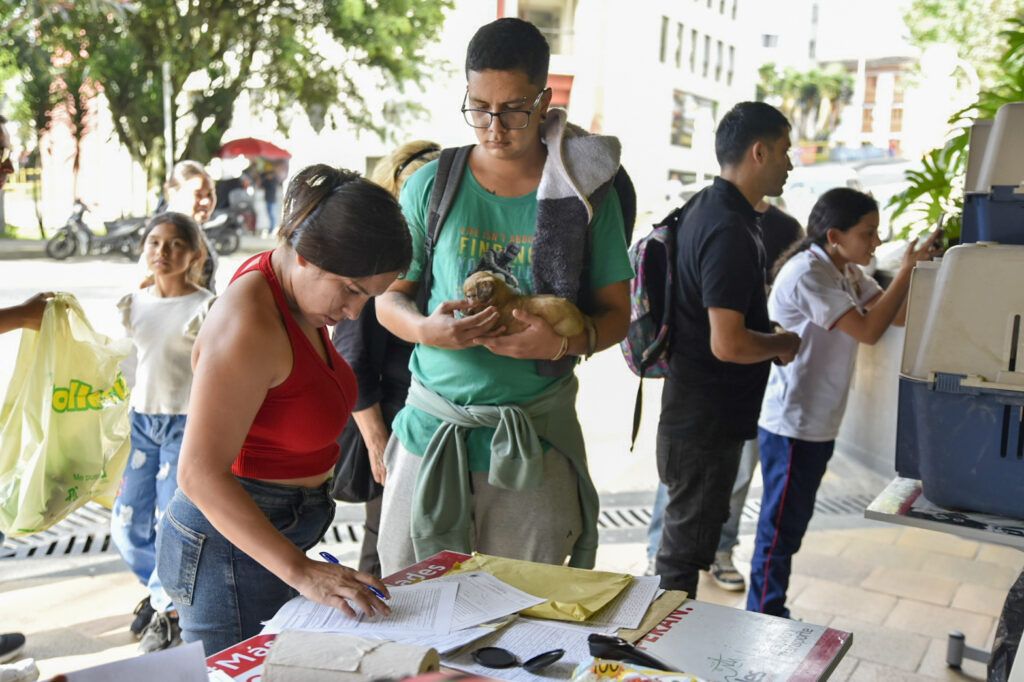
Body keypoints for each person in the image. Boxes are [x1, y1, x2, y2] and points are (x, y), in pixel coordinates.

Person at [374, 18, 633, 575]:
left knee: (522, 622)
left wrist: (564, 345)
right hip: (431, 431)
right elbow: (387, 299)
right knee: (412, 609)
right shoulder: (431, 186)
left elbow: (617, 316)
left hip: (533, 439)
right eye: (478, 107)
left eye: (513, 108)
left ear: (544, 99)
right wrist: (425, 330)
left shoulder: (585, 194)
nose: (494, 126)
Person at [157, 165, 408, 654]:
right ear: (306, 256)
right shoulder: (248, 322)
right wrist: (303, 573)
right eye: (352, 290)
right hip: (228, 549)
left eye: (369, 296)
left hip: (270, 536)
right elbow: (198, 474)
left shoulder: (290, 284)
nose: (355, 313)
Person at [747, 188, 939, 617]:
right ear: (834, 235)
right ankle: (763, 614)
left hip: (819, 419)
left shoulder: (845, 271)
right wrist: (906, 271)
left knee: (789, 526)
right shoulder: (807, 273)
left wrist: (924, 271)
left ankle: (769, 610)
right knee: (778, 531)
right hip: (792, 422)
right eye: (867, 233)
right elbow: (868, 331)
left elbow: (894, 316)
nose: (875, 242)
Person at [653, 101, 801, 598]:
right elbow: (729, 342)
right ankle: (658, 667)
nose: (790, 162)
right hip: (703, 422)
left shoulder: (706, 208)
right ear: (758, 152)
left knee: (682, 549)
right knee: (680, 560)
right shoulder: (728, 228)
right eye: (784, 150)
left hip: (694, 413)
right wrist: (780, 342)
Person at [330, 140, 441, 577]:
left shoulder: (431, 257)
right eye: (421, 189)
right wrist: (378, 442)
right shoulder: (381, 261)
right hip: (393, 423)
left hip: (425, 420)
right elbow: (352, 359)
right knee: (385, 551)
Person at [112, 213, 215, 652]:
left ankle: (166, 611)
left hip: (186, 423)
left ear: (195, 254)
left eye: (175, 245)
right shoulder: (132, 305)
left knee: (171, 521)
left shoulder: (207, 306)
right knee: (127, 522)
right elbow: (122, 371)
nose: (163, 252)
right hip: (139, 424)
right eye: (154, 242)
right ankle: (161, 593)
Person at [160, 161, 218, 293]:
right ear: (173, 193)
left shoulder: (191, 227)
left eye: (210, 194)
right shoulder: (166, 232)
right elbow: (147, 286)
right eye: (198, 194)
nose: (206, 201)